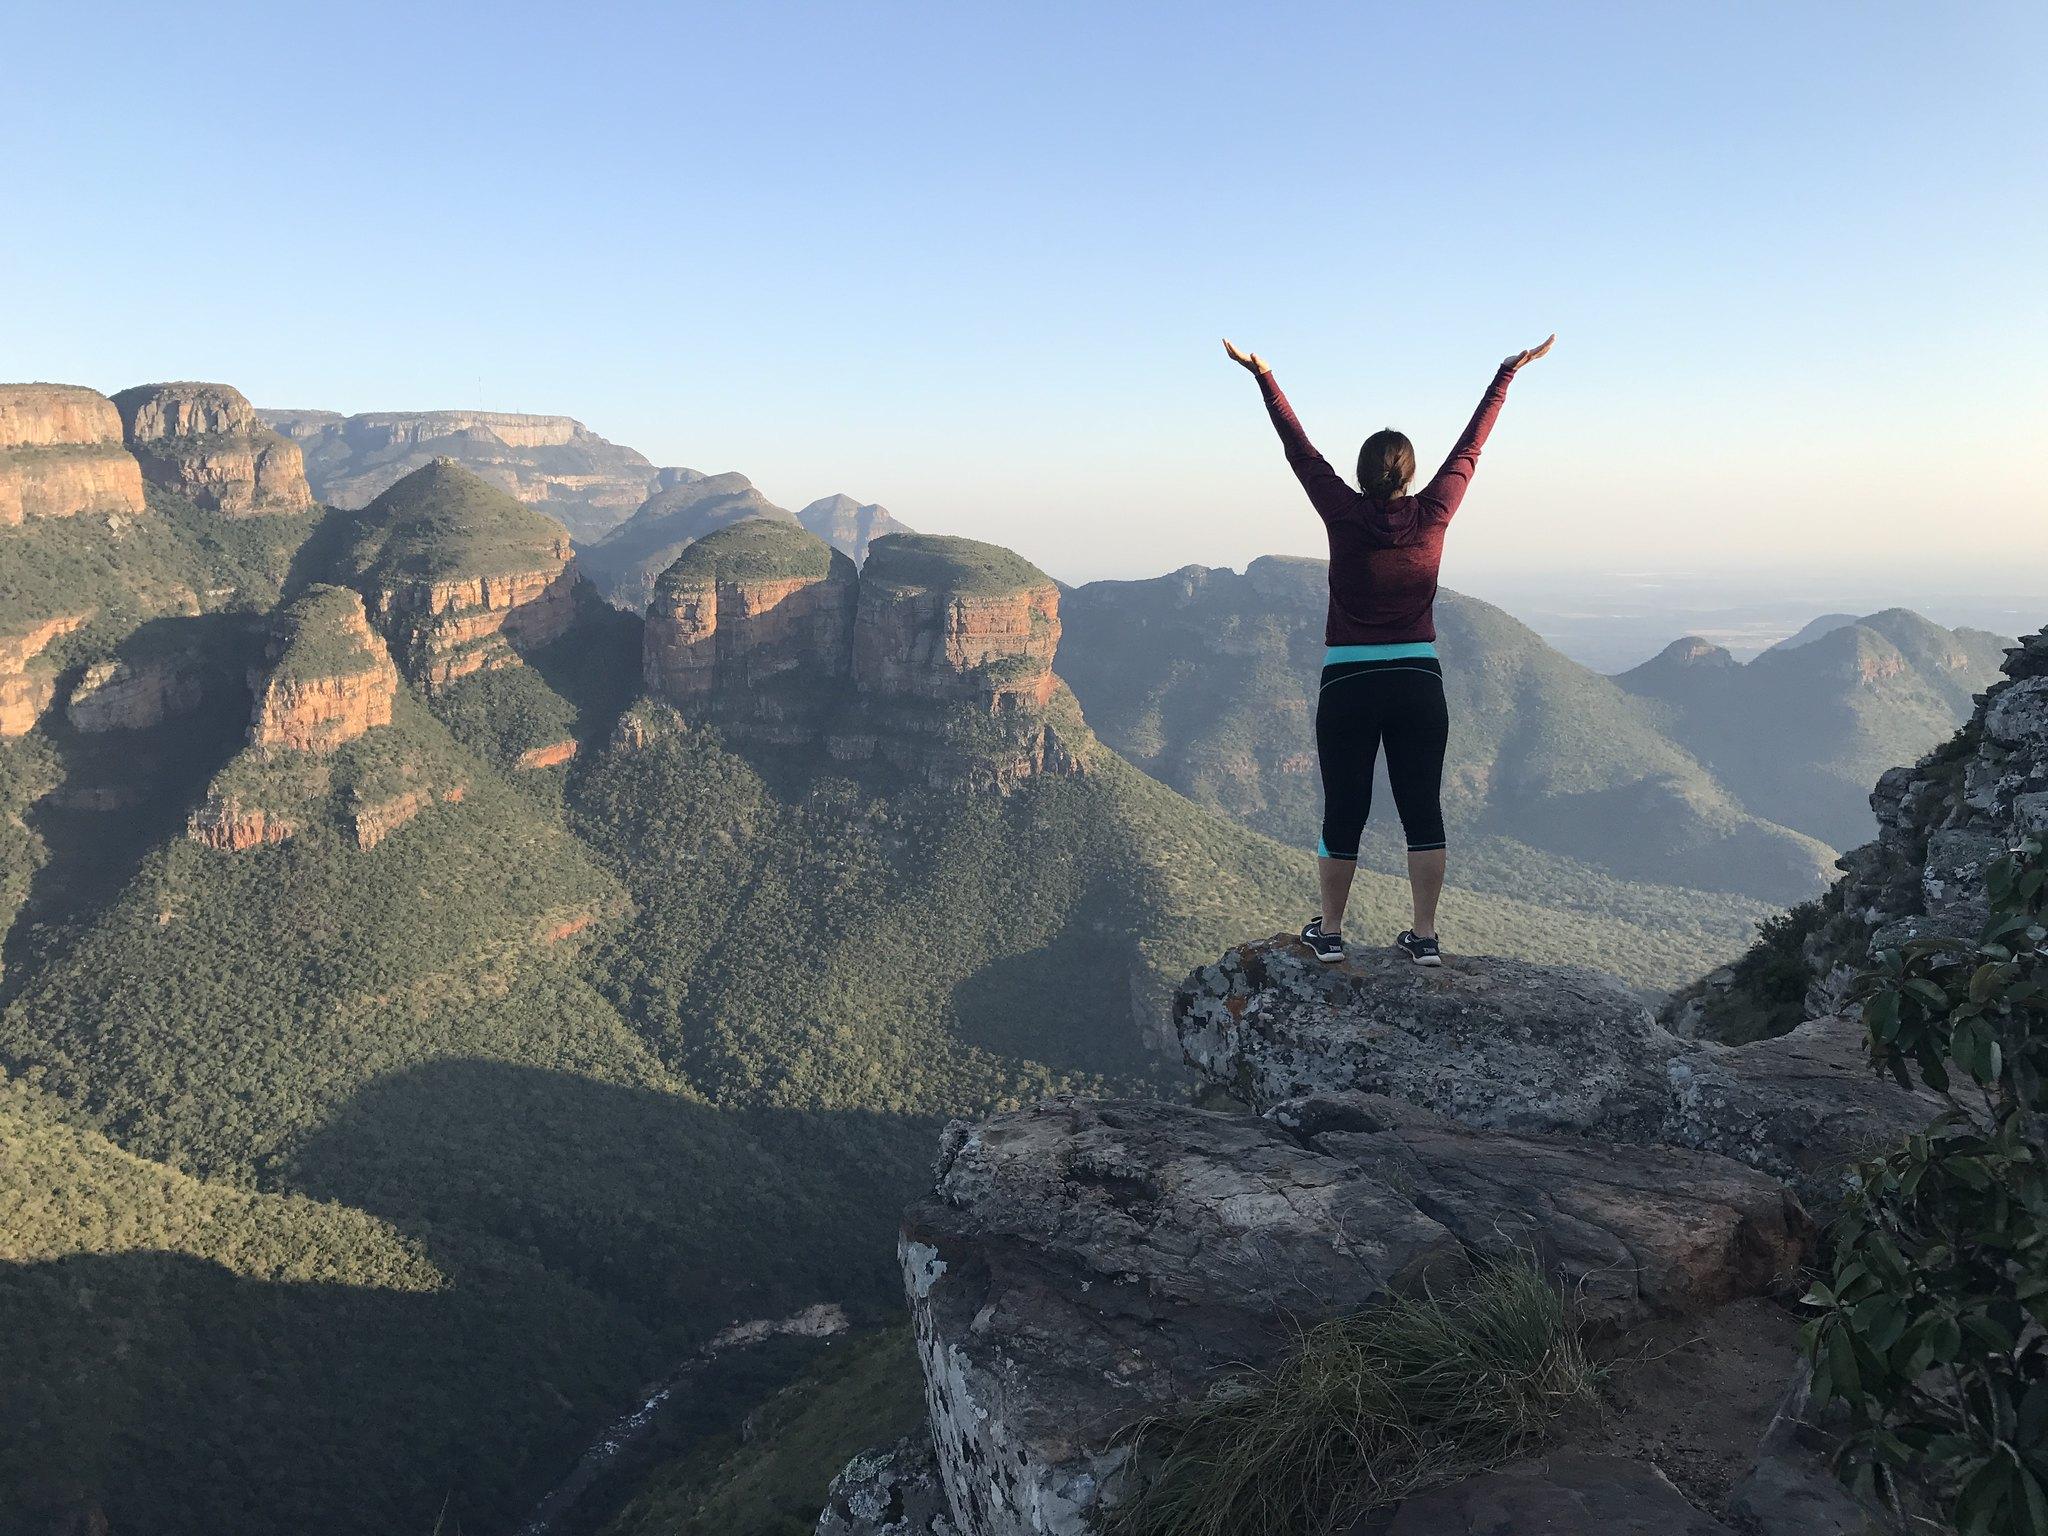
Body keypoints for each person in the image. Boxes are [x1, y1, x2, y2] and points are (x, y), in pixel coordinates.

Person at [1223, 333, 1554, 966]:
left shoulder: (1342, 514)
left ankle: (1331, 933)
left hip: (1347, 682)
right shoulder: (1435, 513)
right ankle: (1424, 937)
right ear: (1409, 473)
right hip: (1416, 681)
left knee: (1345, 805)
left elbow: (1299, 450)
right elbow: (1471, 449)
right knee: (1421, 805)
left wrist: (1263, 374)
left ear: (1360, 472)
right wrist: (1505, 375)